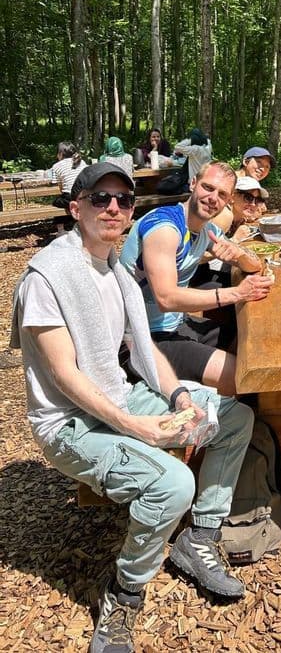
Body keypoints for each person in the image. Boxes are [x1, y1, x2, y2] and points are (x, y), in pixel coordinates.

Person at [11, 162, 254, 652]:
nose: (115, 207)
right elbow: (64, 376)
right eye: (101, 198)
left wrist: (180, 396)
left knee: (233, 416)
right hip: (70, 423)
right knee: (173, 482)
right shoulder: (46, 277)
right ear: (75, 207)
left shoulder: (116, 269)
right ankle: (124, 596)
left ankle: (200, 537)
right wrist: (138, 427)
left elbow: (144, 350)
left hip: (120, 398)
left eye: (124, 199)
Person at [120, 161, 272, 396]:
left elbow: (254, 264)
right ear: (193, 184)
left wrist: (240, 254)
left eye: (222, 194)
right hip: (139, 339)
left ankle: (210, 398)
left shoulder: (206, 229)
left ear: (229, 200)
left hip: (175, 324)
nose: (213, 198)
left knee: (251, 343)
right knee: (241, 374)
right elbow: (166, 298)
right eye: (208, 188)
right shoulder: (165, 227)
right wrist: (237, 293)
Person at [50, 142, 87, 235]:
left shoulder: (56, 166)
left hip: (69, 196)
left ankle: (60, 229)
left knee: (57, 203)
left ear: (60, 154)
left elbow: (57, 184)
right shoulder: (82, 162)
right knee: (69, 204)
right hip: (85, 194)